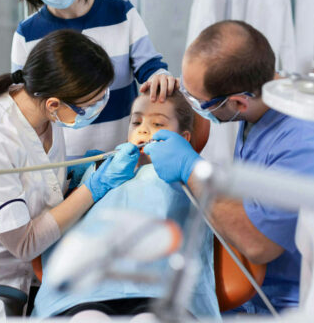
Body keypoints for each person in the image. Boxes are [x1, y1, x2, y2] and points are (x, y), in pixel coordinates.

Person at [0, 30, 142, 319]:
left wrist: (70, 175)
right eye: (90, 105)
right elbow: (24, 242)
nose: (95, 109)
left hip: (22, 274)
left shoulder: (46, 117)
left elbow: (32, 184)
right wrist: (93, 188)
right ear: (54, 104)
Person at [144, 20, 314, 314]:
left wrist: (191, 168)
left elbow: (259, 245)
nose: (190, 105)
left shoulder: (307, 143)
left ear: (239, 103)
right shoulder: (266, 98)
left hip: (299, 299)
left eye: (198, 101)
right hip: (252, 284)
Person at [33, 89, 221, 321]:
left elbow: (223, 208)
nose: (143, 129)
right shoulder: (97, 167)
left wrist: (190, 169)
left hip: (160, 290)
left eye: (158, 124)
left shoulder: (191, 174)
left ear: (184, 139)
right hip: (85, 292)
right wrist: (94, 178)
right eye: (137, 122)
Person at [11, 0, 176, 160]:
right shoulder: (27, 34)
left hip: (121, 154)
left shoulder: (121, 14)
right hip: (61, 162)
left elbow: (150, 69)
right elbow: (23, 107)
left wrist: (160, 76)